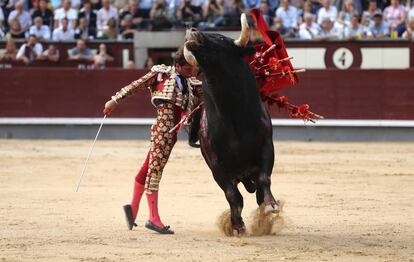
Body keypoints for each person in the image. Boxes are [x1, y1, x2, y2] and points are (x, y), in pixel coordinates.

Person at [102, 48, 203, 234]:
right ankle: (153, 218)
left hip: (172, 132)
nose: (192, 72)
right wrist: (114, 100)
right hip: (163, 129)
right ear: (178, 66)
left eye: (193, 69)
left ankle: (132, 209)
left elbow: (206, 95)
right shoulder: (161, 74)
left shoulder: (191, 83)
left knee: (148, 167)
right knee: (155, 172)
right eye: (188, 69)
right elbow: (136, 85)